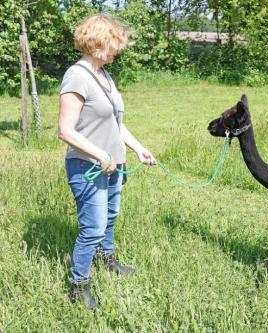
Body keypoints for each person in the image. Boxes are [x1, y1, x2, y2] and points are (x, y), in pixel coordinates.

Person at [58, 13, 156, 309]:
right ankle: (78, 285)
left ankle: (108, 260)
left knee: (110, 219)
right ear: (100, 42)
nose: (120, 49)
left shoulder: (105, 76)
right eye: (117, 43)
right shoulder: (77, 75)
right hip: (87, 166)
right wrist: (100, 154)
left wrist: (139, 148)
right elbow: (64, 130)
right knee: (93, 228)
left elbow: (116, 123)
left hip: (115, 164)